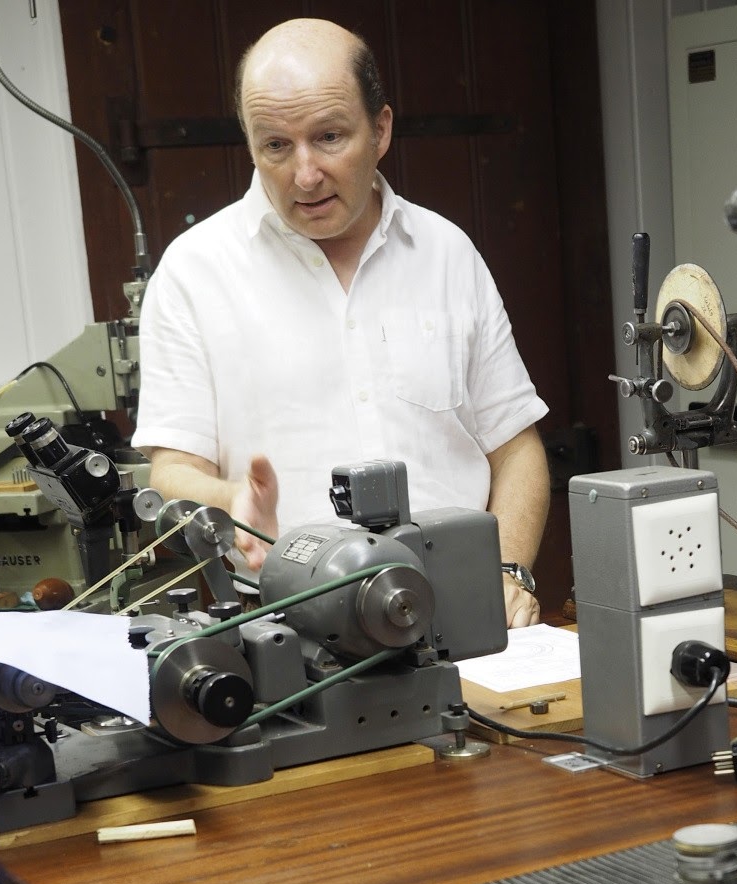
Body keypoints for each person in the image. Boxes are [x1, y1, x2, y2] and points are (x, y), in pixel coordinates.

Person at [130, 18, 549, 628]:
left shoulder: (444, 251)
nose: (305, 174)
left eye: (328, 137)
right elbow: (172, 471)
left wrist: (508, 574)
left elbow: (516, 450)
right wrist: (231, 502)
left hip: (460, 608)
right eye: (276, 145)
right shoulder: (195, 271)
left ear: (380, 129)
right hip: (287, 626)